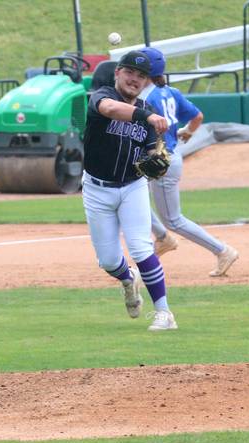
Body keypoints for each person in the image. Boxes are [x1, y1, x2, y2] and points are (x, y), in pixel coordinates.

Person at [82, 49, 178, 331]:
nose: (134, 79)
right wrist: (145, 117)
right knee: (109, 261)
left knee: (140, 246)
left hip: (132, 186)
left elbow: (152, 153)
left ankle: (164, 313)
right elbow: (111, 110)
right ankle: (127, 279)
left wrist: (157, 160)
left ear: (147, 82)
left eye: (141, 76)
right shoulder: (102, 96)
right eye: (129, 72)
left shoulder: (150, 116)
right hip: (96, 189)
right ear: (117, 73)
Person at [139, 47, 239, 277]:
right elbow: (198, 117)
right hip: (164, 158)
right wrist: (186, 132)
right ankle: (163, 239)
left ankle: (222, 250)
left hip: (161, 161)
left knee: (173, 219)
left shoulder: (146, 97)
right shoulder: (169, 91)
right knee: (130, 196)